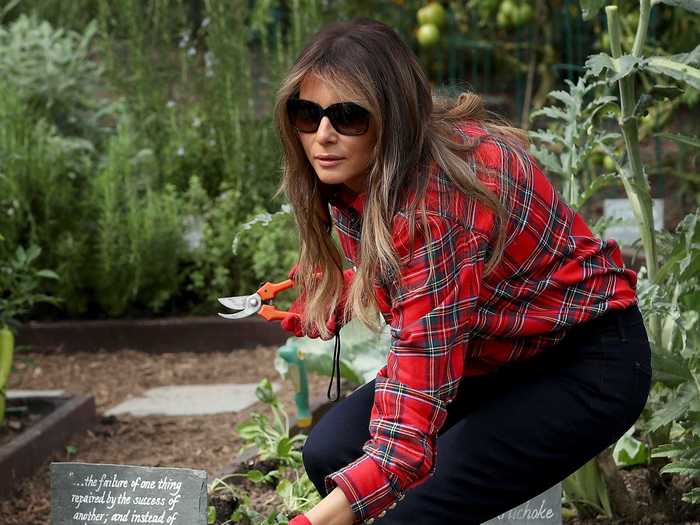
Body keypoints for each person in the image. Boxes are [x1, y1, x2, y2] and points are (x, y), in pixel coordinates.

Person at [272, 17, 652, 525]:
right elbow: (438, 285)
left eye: (348, 116)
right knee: (330, 450)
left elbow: (402, 448)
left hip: (585, 363)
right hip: (490, 353)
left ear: (393, 116)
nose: (323, 135)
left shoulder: (437, 206)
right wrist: (342, 290)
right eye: (307, 113)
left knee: (412, 511)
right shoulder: (365, 174)